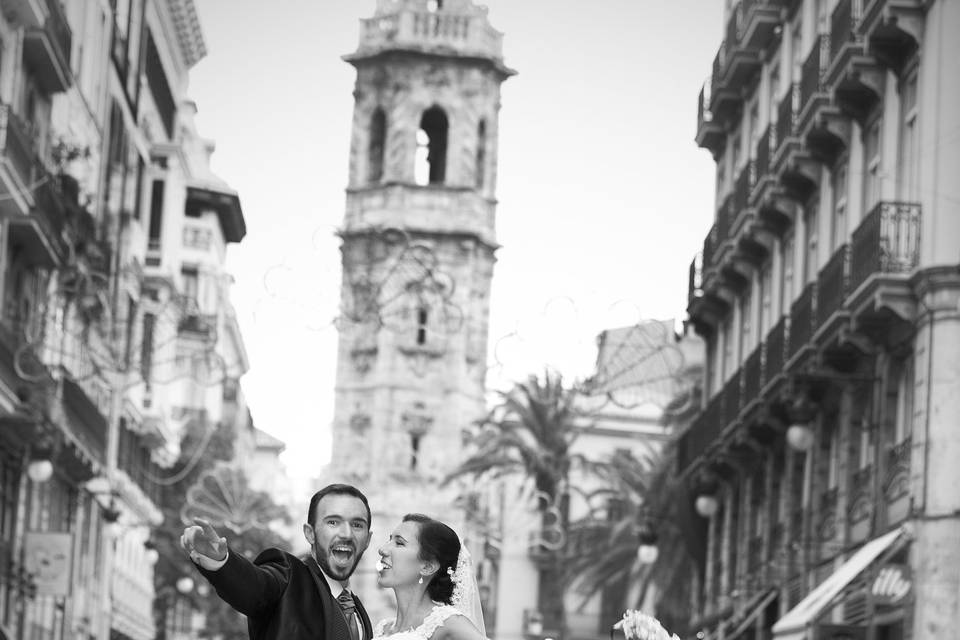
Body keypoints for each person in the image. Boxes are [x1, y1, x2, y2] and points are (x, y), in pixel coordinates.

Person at [180, 483, 374, 640]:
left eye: (357, 525)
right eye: (333, 522)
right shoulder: (288, 577)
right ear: (310, 533)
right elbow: (254, 587)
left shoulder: (359, 613)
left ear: (368, 539)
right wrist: (222, 562)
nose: (347, 534)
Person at [373, 513, 486, 640]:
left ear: (427, 567)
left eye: (399, 543)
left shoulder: (446, 622)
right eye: (389, 540)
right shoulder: (382, 628)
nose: (382, 549)